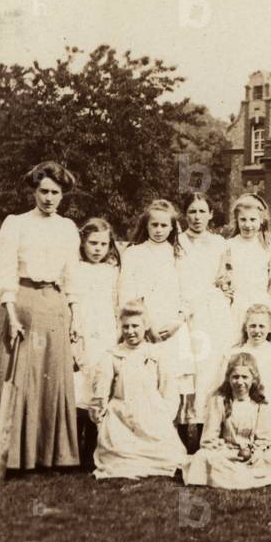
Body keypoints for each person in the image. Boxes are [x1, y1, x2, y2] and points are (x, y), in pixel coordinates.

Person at [0, 160, 82, 473]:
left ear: (63, 195)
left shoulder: (68, 228)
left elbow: (72, 274)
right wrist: (12, 311)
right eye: (43, 190)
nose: (48, 197)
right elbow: (4, 270)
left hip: (56, 305)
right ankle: (12, 454)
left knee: (53, 377)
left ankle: (51, 456)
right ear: (34, 190)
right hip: (25, 302)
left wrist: (75, 314)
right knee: (20, 377)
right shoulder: (16, 224)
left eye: (55, 192)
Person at [119, 199, 198, 450]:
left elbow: (190, 293)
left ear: (173, 227)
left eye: (165, 225)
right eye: (154, 224)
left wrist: (178, 321)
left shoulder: (179, 255)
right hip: (146, 328)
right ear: (146, 225)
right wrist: (145, 326)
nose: (159, 230)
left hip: (174, 327)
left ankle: (174, 440)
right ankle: (145, 438)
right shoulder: (134, 253)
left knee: (174, 383)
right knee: (147, 381)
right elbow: (128, 293)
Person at [90, 301, 187, 479]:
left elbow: (169, 390)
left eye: (135, 326)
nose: (130, 331)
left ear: (146, 326)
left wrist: (163, 416)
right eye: (125, 327)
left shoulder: (156, 353)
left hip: (152, 415)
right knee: (119, 456)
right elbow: (100, 392)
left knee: (168, 455)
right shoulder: (112, 355)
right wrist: (101, 419)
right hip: (122, 416)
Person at [184, 353, 271, 490]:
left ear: (253, 379)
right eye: (235, 377)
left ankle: (240, 475)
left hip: (253, 453)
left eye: (245, 377)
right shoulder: (219, 400)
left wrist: (256, 452)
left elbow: (263, 437)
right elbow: (208, 439)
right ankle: (240, 475)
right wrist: (230, 454)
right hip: (226, 453)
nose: (240, 382)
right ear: (228, 378)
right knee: (202, 457)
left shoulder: (260, 403)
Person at [178, 191, 233, 433]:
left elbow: (224, 277)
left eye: (202, 211)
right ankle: (183, 426)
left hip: (211, 309)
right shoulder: (177, 242)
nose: (197, 217)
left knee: (210, 365)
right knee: (186, 365)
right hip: (184, 308)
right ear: (184, 214)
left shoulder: (220, 243)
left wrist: (225, 291)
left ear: (210, 214)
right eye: (192, 211)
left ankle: (206, 427)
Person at [68, 217, 121, 471]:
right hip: (83, 331)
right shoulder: (75, 268)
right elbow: (73, 301)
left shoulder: (112, 271)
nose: (98, 249)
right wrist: (74, 328)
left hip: (106, 333)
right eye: (93, 243)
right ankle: (72, 449)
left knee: (99, 385)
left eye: (103, 243)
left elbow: (115, 303)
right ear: (83, 243)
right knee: (79, 386)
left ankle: (91, 447)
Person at [225, 304, 271, 447]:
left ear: (270, 328)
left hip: (269, 418)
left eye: (261, 326)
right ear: (245, 327)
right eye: (252, 326)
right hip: (237, 418)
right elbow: (223, 389)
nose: (257, 331)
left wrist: (268, 421)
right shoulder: (232, 354)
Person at [225, 194, 271, 350]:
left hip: (260, 303)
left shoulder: (269, 247)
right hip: (236, 305)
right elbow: (225, 276)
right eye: (243, 220)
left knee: (259, 347)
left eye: (253, 220)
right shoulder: (229, 245)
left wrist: (269, 308)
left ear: (261, 220)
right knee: (234, 345)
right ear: (237, 221)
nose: (248, 225)